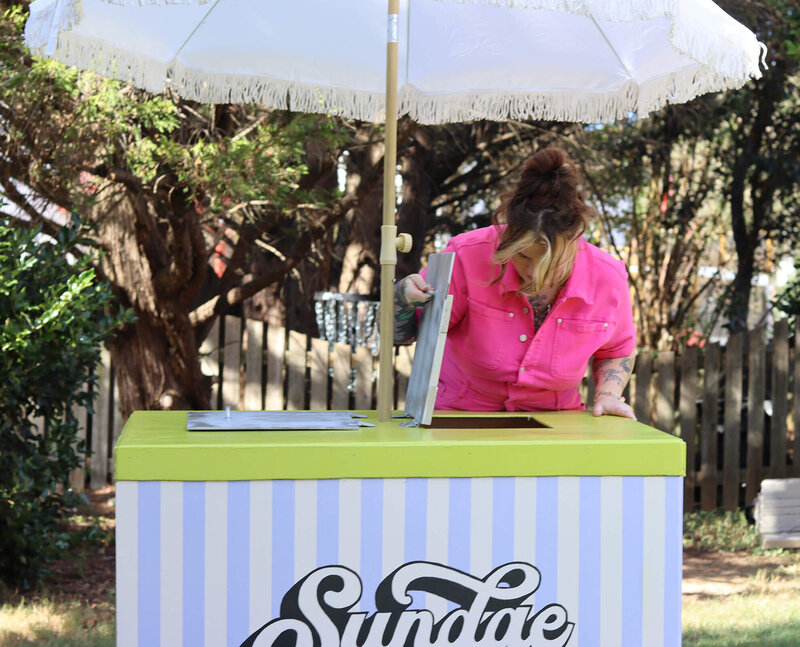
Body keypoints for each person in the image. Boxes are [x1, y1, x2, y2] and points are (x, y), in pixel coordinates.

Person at [394, 147, 636, 419]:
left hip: (556, 424)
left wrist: (608, 394)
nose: (533, 272)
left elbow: (616, 349)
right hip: (459, 418)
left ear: (575, 239)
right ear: (508, 235)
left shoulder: (607, 277)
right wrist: (401, 300)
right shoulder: (465, 256)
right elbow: (402, 335)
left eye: (550, 262)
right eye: (522, 256)